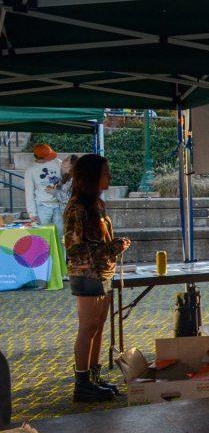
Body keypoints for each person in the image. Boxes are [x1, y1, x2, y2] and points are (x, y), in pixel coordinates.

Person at [62, 154, 131, 403]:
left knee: (99, 326)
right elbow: (74, 248)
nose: (109, 177)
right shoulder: (77, 208)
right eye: (105, 172)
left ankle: (93, 375)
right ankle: (81, 383)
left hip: (102, 272)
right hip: (86, 273)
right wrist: (112, 249)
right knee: (88, 327)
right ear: (91, 177)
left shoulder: (96, 204)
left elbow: (98, 241)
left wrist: (113, 246)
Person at [24, 143, 64, 240]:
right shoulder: (30, 170)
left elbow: (66, 181)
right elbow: (29, 192)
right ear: (40, 157)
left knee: (60, 237)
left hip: (59, 205)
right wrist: (32, 213)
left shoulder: (58, 162)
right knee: (44, 237)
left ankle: (61, 255)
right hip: (42, 207)